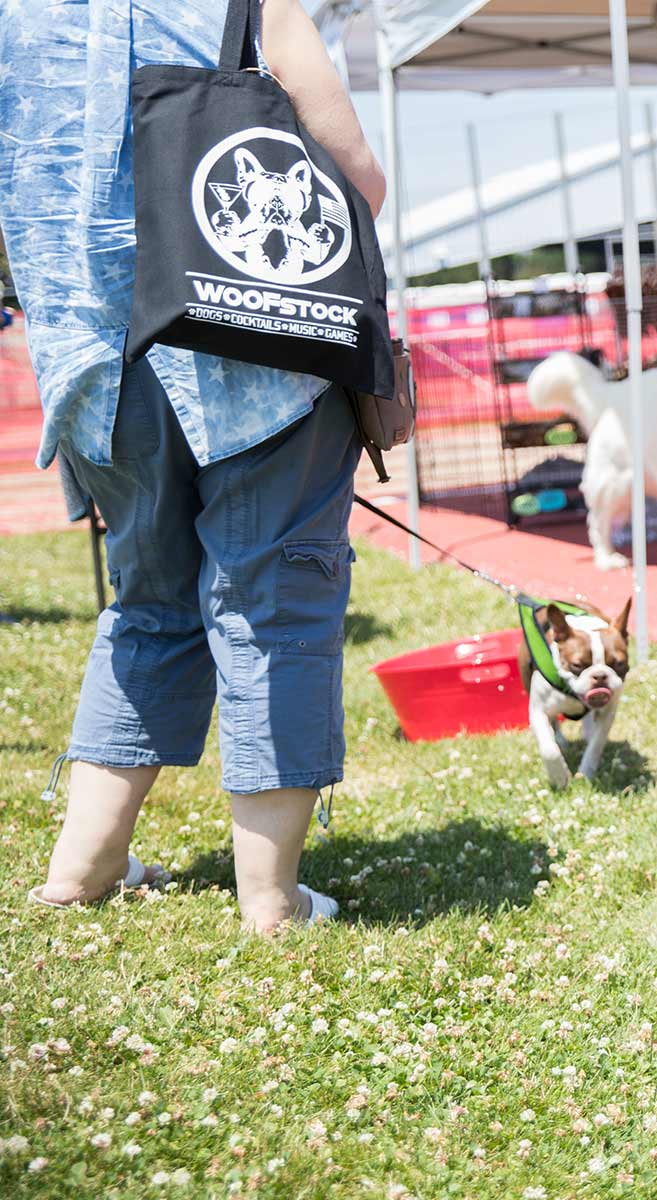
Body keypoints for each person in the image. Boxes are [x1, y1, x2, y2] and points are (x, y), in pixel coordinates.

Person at [0, 0, 384, 931]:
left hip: (92, 361)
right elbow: (355, 180)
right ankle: (271, 899)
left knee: (146, 604)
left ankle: (82, 870)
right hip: (258, 347)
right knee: (275, 601)